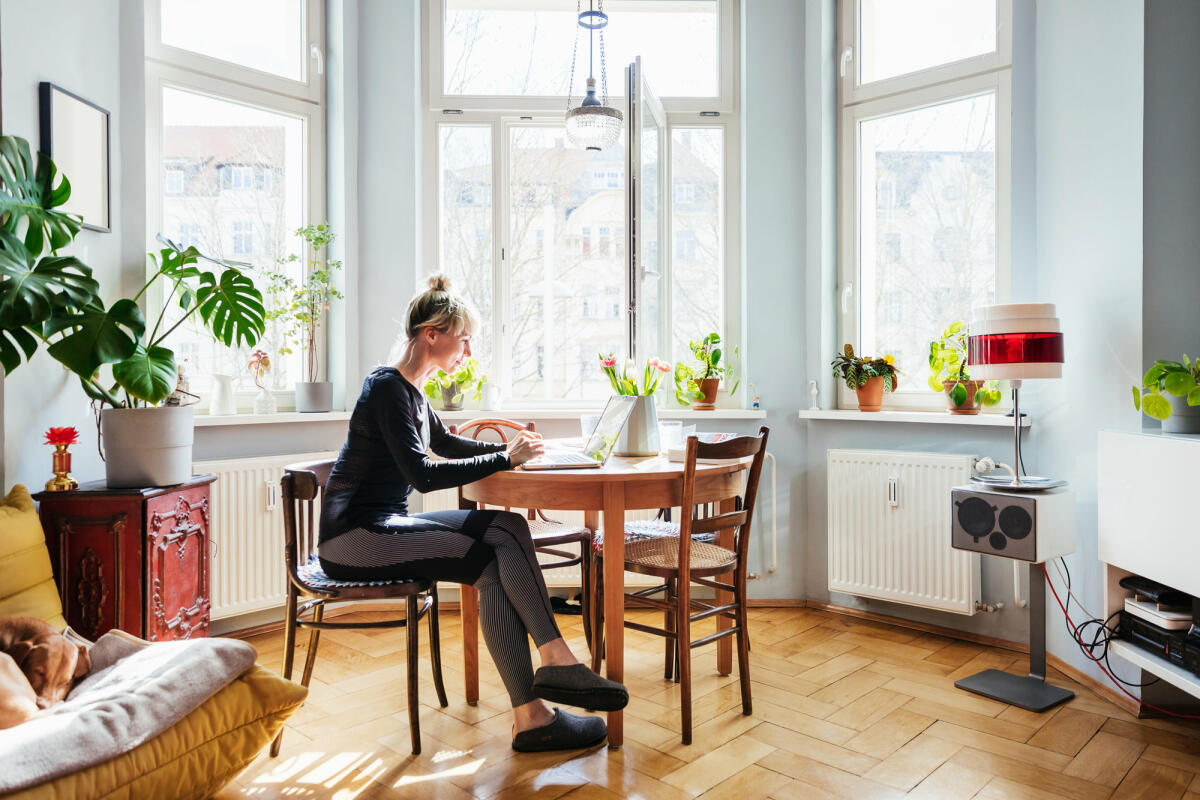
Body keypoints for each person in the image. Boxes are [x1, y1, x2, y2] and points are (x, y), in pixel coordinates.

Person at [318, 275, 627, 752]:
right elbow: (423, 474)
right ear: (432, 334)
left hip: (383, 528)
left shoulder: (412, 392)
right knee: (503, 531)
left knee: (499, 546)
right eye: (463, 339)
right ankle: (556, 664)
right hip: (354, 539)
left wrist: (513, 449)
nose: (467, 350)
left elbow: (443, 443)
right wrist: (506, 458)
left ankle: (533, 715)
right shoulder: (386, 388)